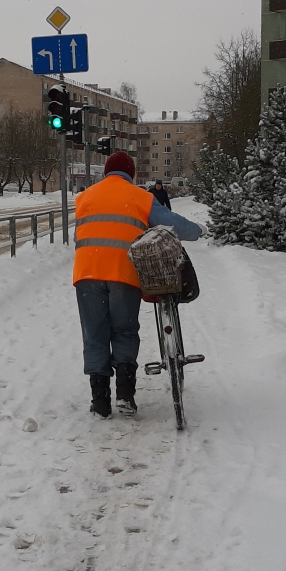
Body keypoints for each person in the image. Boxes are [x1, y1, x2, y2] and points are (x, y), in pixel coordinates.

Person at [73, 151, 203, 419]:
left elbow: (80, 235)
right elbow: (173, 225)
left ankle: (100, 402)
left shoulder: (85, 196)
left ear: (106, 172)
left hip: (87, 273)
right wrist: (198, 230)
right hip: (125, 272)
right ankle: (125, 394)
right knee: (124, 330)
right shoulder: (140, 197)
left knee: (94, 333)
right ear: (130, 174)